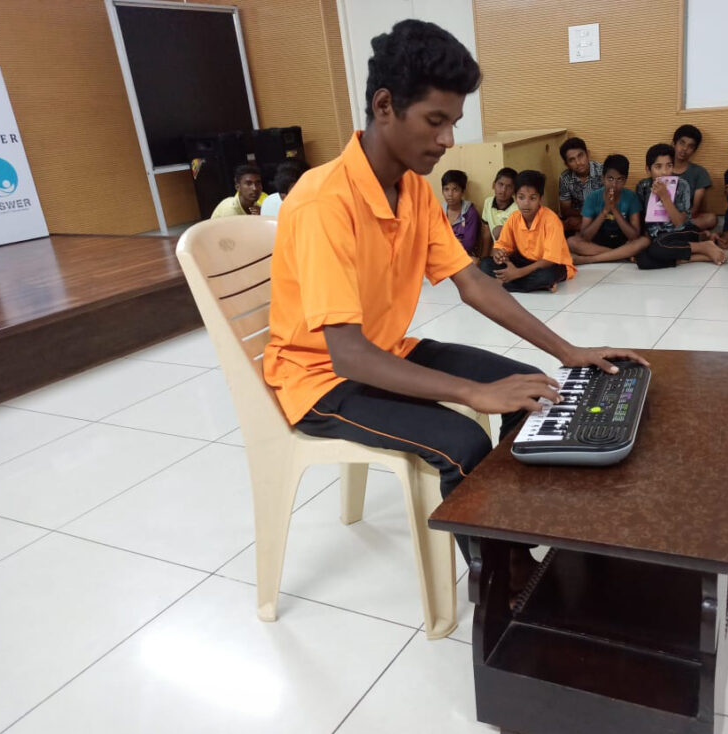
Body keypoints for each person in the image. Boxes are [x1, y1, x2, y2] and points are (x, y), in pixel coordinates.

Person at [262, 20, 645, 586]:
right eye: (435, 121)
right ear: (385, 106)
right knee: (464, 441)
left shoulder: (413, 190)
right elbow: (347, 355)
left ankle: (517, 536)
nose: (447, 140)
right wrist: (471, 393)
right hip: (320, 379)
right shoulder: (324, 202)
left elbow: (474, 282)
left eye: (453, 124)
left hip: (388, 351)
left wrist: (569, 351)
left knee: (532, 388)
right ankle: (498, 584)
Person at [566, 144, 725, 267]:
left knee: (653, 248)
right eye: (658, 167)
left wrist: (665, 197)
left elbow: (679, 223)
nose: (664, 172)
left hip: (679, 232)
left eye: (669, 165)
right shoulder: (643, 186)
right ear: (648, 169)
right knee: (643, 259)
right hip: (655, 237)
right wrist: (607, 210)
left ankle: (702, 247)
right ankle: (700, 256)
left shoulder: (681, 185)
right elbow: (642, 220)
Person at [479, 170, 577, 291]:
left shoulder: (551, 220)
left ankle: (508, 282)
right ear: (516, 198)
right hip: (524, 261)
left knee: (547, 276)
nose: (526, 203)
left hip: (551, 264)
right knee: (485, 265)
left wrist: (518, 273)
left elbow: (549, 260)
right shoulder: (514, 218)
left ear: (540, 199)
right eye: (521, 197)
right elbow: (502, 246)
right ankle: (537, 285)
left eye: (532, 198)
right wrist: (499, 254)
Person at [567, 155, 642, 261]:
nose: (614, 184)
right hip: (599, 242)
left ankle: (592, 259)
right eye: (610, 178)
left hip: (624, 242)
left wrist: (614, 210)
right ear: (603, 178)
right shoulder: (592, 198)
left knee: (644, 241)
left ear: (625, 181)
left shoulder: (631, 197)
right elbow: (586, 236)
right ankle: (622, 255)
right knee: (572, 242)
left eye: (620, 179)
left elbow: (634, 236)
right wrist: (605, 211)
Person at [672, 124, 716, 231]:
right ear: (674, 143)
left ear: (694, 150)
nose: (684, 149)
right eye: (682, 143)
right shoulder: (663, 169)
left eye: (690, 146)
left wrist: (680, 219)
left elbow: (695, 209)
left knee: (711, 218)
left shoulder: (699, 172)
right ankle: (679, 231)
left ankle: (674, 231)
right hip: (664, 216)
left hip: (687, 218)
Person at [557, 137, 603, 233]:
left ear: (588, 154)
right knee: (560, 225)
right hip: (578, 219)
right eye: (572, 160)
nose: (578, 163)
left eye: (580, 156)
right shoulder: (565, 178)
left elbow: (613, 204)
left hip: (602, 218)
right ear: (566, 164)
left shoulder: (603, 172)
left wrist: (585, 219)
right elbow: (565, 210)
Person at [479, 167, 518, 260]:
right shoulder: (488, 202)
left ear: (514, 190)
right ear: (493, 185)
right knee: (485, 264)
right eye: (500, 184)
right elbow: (487, 232)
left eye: (509, 187)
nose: (503, 190)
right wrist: (484, 257)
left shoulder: (517, 209)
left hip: (513, 253)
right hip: (497, 251)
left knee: (499, 231)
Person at [441, 169, 481, 256]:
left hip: (463, 255)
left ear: (463, 192)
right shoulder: (439, 211)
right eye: (446, 189)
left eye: (455, 190)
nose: (450, 194)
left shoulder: (470, 213)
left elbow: (468, 245)